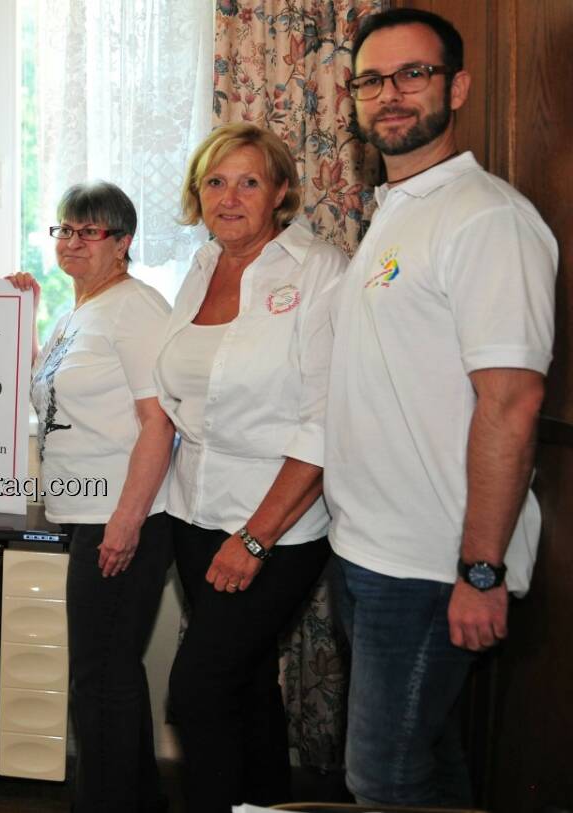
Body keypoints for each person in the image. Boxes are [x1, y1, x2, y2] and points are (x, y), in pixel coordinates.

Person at [325, 9, 555, 806]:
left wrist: (481, 570)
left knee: (381, 777)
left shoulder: (486, 218)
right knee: (425, 762)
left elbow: (514, 402)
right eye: (370, 80)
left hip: (430, 565)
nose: (389, 95)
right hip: (365, 550)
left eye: (412, 74)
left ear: (455, 86)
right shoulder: (398, 211)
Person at [153, 123, 347, 812]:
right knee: (246, 682)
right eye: (214, 181)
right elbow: (178, 391)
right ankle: (264, 805)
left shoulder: (318, 270)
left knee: (197, 690)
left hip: (279, 526)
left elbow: (326, 418)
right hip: (194, 512)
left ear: (282, 192)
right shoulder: (201, 267)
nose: (228, 196)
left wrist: (256, 536)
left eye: (249, 181)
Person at [10, 181, 175, 811]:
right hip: (85, 515)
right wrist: (23, 313)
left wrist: (126, 522)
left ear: (123, 243)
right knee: (112, 674)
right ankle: (138, 801)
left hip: (121, 520)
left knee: (97, 681)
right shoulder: (76, 313)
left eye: (89, 231)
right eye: (64, 230)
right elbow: (44, 398)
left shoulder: (136, 309)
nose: (73, 241)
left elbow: (159, 422)